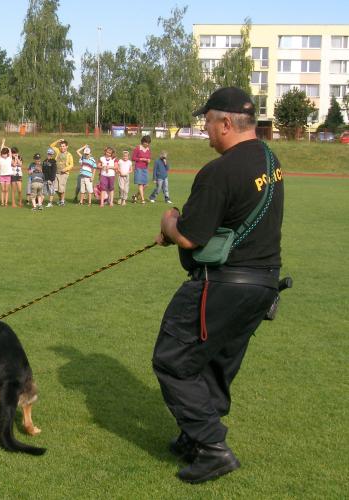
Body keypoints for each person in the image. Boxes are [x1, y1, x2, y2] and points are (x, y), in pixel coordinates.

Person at [152, 87, 284, 484]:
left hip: (221, 285)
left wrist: (167, 222)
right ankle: (195, 436)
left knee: (173, 361)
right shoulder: (269, 159)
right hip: (263, 285)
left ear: (226, 122)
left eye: (207, 121)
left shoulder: (219, 171)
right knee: (213, 362)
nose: (204, 129)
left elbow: (190, 236)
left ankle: (211, 447)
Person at [50, 138, 73, 206]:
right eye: (61, 146)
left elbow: (71, 165)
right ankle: (61, 199)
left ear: (66, 147)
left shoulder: (69, 155)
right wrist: (58, 141)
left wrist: (65, 169)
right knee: (56, 189)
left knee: (61, 188)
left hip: (64, 173)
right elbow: (51, 146)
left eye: (63, 146)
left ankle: (62, 201)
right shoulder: (58, 151)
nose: (62, 147)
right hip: (56, 173)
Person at [131, 135, 151, 203]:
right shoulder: (137, 148)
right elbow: (133, 158)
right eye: (146, 142)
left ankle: (135, 196)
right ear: (143, 142)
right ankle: (142, 199)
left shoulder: (148, 149)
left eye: (148, 143)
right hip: (138, 168)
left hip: (145, 168)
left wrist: (148, 160)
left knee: (145, 185)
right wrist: (141, 159)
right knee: (140, 184)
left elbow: (149, 158)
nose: (147, 144)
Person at [0, 139, 12, 207]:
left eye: (5, 154)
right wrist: (2, 143)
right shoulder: (1, 158)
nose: (4, 155)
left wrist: (6, 147)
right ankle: (2, 202)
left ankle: (6, 203)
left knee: (6, 190)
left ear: (7, 154)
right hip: (2, 176)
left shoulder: (9, 158)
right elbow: (0, 150)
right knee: (2, 190)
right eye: (3, 154)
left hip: (8, 176)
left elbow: (10, 151)